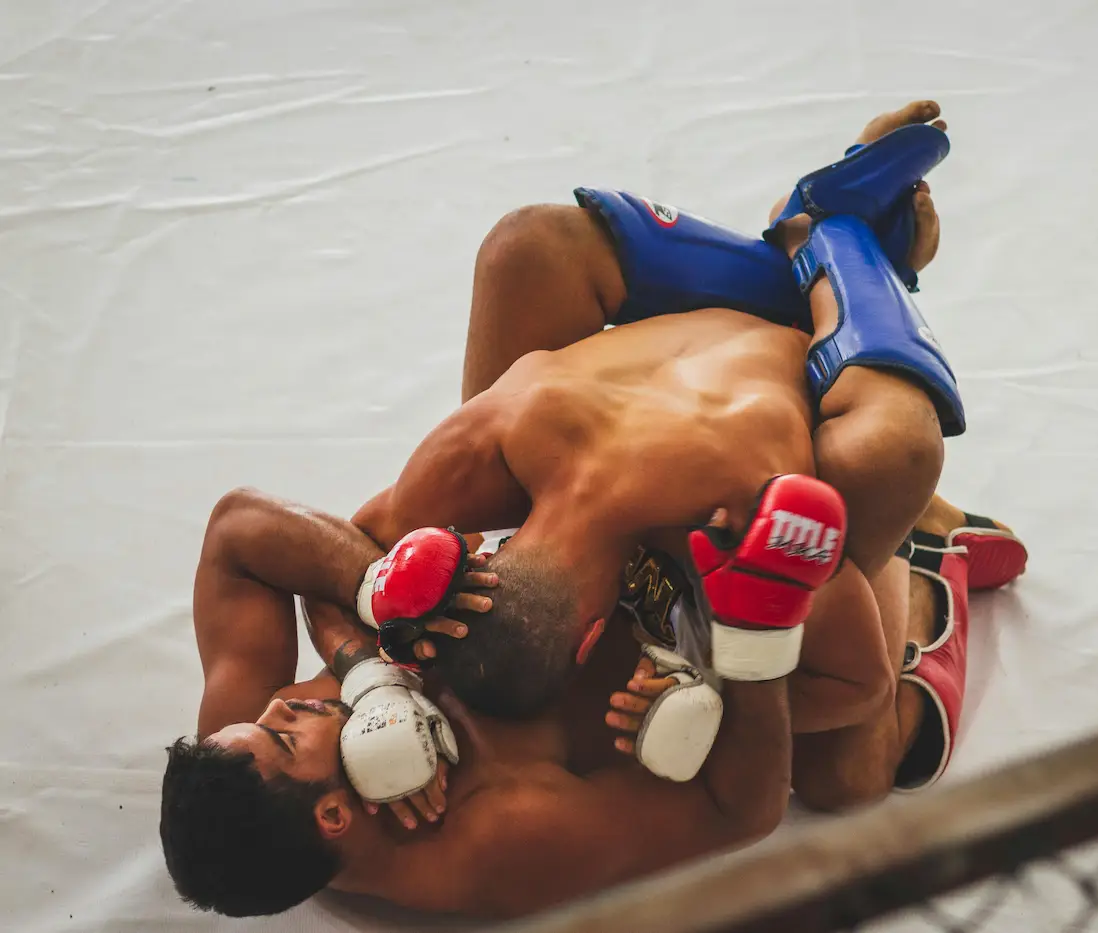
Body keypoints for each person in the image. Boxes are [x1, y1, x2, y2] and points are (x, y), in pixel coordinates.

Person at [158, 101, 1029, 919]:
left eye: (262, 716)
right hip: (693, 594)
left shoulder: (251, 748)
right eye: (284, 735)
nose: (281, 706)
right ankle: (920, 547)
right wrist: (742, 665)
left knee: (525, 254)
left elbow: (247, 531)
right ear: (336, 816)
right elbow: (740, 808)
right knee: (850, 772)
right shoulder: (494, 839)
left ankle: (822, 256)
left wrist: (365, 650)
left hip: (626, 500)